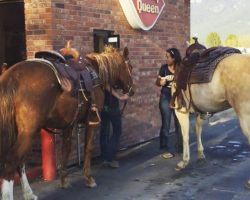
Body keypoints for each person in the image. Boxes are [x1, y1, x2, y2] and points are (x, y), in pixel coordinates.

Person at [155, 48, 183, 159]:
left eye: (168, 57)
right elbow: (157, 82)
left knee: (179, 124)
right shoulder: (163, 68)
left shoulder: (180, 68)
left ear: (174, 58)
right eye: (166, 56)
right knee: (166, 124)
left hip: (178, 99)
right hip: (165, 98)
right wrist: (160, 82)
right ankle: (164, 148)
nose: (166, 59)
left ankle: (180, 147)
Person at [100, 86, 130, 168]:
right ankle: (109, 158)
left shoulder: (100, 75)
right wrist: (119, 97)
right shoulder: (109, 75)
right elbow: (107, 85)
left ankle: (105, 158)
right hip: (112, 107)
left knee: (104, 132)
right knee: (117, 131)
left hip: (103, 106)